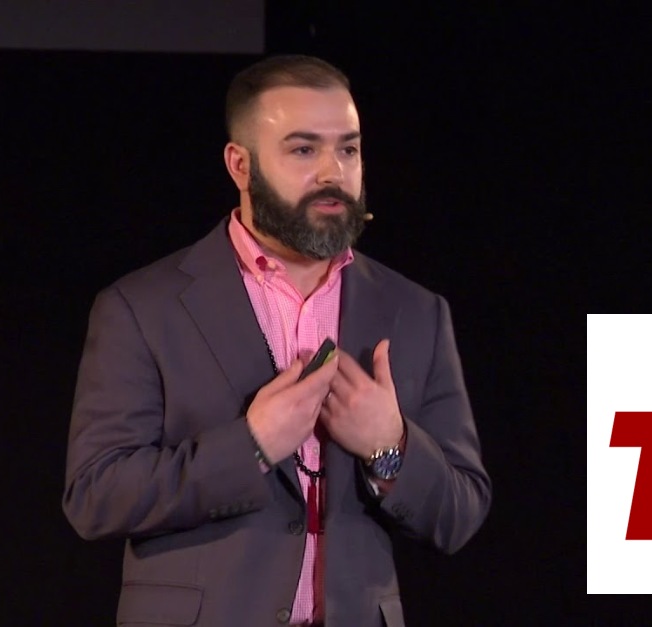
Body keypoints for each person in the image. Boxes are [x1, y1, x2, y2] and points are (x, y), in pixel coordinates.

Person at [62, 54, 490, 627]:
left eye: (349, 150)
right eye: (303, 150)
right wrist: (252, 446)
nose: (333, 172)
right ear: (240, 165)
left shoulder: (415, 311)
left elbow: (461, 512)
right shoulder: (143, 307)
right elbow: (96, 495)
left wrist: (388, 446)